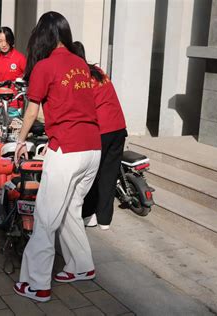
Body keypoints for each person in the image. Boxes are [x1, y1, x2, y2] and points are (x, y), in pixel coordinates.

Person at [12, 11, 101, 302]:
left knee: (46, 218)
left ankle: (37, 284)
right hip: (92, 149)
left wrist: (19, 141)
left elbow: (31, 110)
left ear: (44, 36)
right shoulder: (82, 65)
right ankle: (81, 266)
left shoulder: (45, 67)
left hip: (66, 149)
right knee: (71, 210)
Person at [73, 41, 127, 231]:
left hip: (103, 130)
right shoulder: (98, 71)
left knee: (91, 174)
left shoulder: (80, 78)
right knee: (109, 174)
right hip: (119, 128)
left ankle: (88, 215)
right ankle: (104, 220)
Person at [0, 26, 26, 111]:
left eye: (6, 40)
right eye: (0, 41)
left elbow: (29, 77)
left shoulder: (20, 58)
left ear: (11, 40)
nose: (3, 44)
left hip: (15, 104)